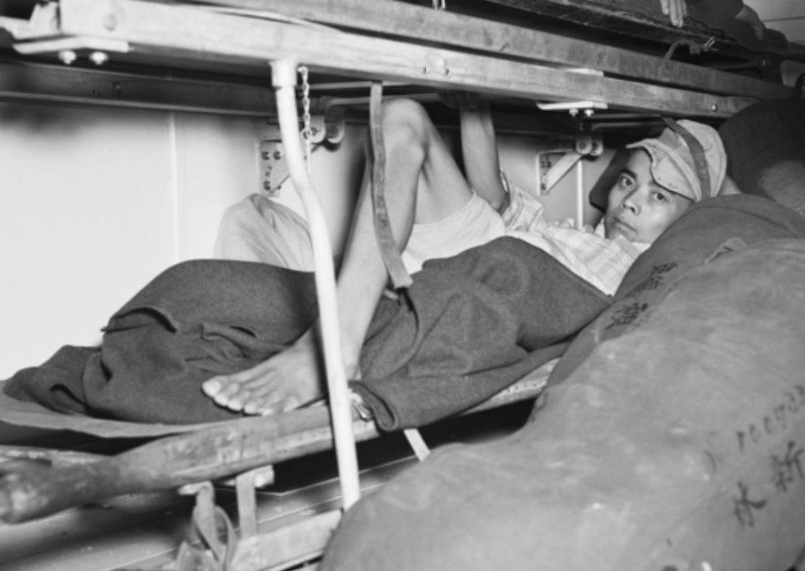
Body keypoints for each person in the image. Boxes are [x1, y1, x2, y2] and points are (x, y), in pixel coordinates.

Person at [202, 95, 732, 416]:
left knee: (453, 273)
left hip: (518, 270)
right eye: (629, 182)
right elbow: (494, 200)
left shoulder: (653, 271)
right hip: (495, 243)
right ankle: (337, 325)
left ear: (688, 218)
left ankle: (331, 340)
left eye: (659, 196)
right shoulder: (572, 230)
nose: (632, 200)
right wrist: (471, 100)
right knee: (399, 118)